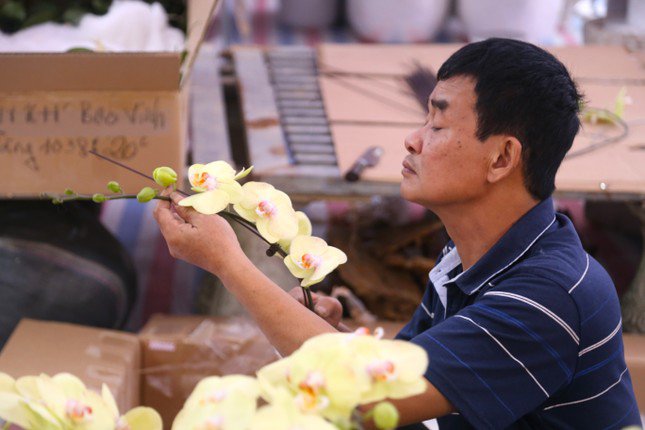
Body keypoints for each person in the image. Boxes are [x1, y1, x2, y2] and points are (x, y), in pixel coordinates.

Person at [154, 38, 641, 429]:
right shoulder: (467, 257)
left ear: (502, 158)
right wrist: (332, 334)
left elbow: (371, 399)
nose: (412, 138)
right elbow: (401, 375)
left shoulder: (548, 299)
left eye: (438, 121)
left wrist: (227, 261)